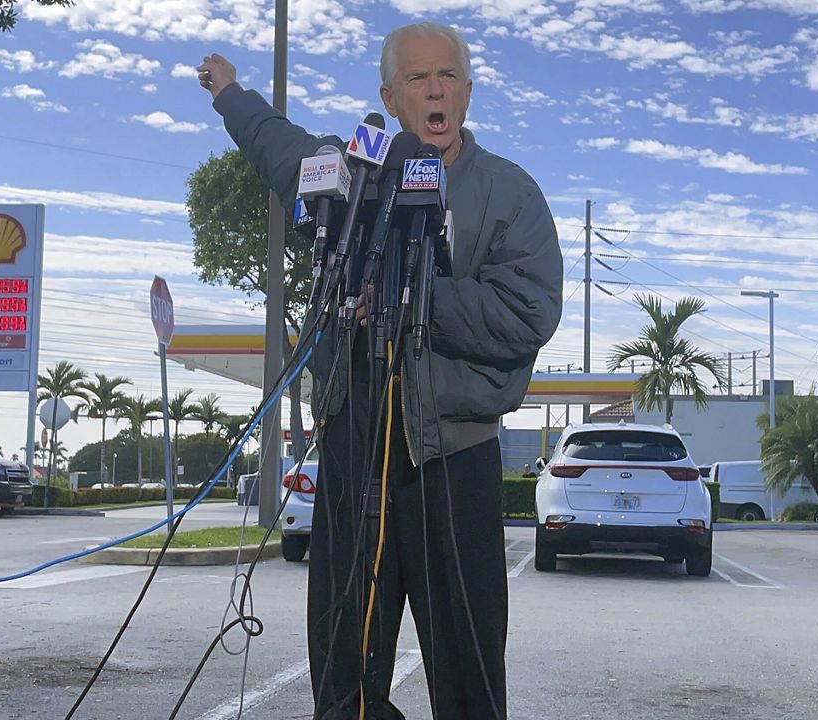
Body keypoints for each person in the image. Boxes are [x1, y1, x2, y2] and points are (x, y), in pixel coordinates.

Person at [198, 22, 563, 720]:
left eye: (448, 76)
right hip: (353, 450)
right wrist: (231, 95)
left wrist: (413, 301)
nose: (436, 89)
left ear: (467, 92)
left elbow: (526, 313)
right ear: (390, 98)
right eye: (419, 79)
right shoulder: (353, 175)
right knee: (343, 663)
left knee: (467, 666)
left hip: (451, 460)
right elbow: (280, 148)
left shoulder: (508, 193)